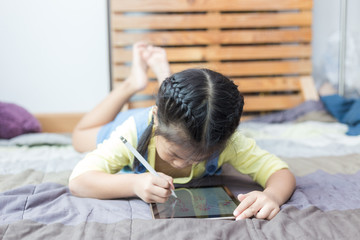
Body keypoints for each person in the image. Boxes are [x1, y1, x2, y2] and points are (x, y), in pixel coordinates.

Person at [69, 42, 296, 221]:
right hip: (132, 123)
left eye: (199, 158)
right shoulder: (131, 133)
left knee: (182, 113)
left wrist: (271, 196)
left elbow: (280, 172)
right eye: (175, 155)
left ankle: (164, 79)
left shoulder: (225, 138)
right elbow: (78, 181)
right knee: (80, 137)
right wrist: (134, 184)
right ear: (157, 117)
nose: (181, 164)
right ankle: (133, 82)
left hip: (173, 118)